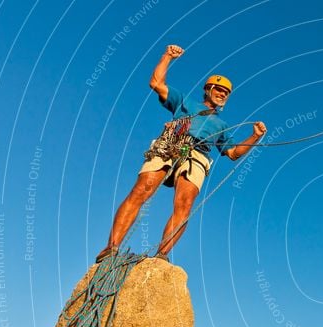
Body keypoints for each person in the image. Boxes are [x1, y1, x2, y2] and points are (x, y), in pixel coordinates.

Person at [96, 44, 266, 263]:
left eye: (226, 93)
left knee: (184, 204)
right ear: (208, 89)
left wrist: (255, 137)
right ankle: (111, 247)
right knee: (141, 190)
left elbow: (233, 153)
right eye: (219, 89)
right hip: (171, 144)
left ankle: (161, 256)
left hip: (198, 156)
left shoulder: (222, 125)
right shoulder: (185, 101)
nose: (223, 94)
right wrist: (167, 56)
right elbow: (156, 83)